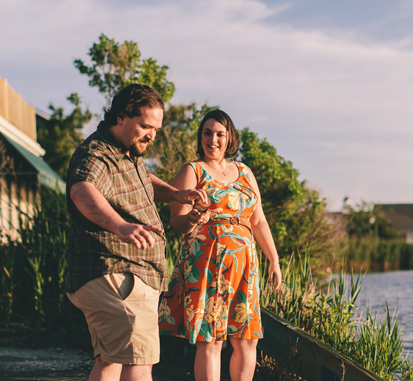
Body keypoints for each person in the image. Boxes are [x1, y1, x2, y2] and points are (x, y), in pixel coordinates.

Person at [65, 83, 207, 381]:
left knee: (110, 361)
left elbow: (143, 178)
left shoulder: (126, 153)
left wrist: (175, 194)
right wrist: (120, 225)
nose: (151, 135)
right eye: (145, 126)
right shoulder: (97, 155)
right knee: (139, 365)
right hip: (118, 272)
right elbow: (82, 190)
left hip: (117, 276)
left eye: (156, 129)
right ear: (121, 117)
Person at [158, 109, 282, 381]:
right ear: (200, 136)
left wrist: (273, 259)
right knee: (210, 338)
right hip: (207, 263)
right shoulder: (192, 171)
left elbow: (259, 220)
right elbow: (176, 222)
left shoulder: (244, 171)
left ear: (229, 137)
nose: (213, 140)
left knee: (247, 338)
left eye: (219, 134)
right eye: (207, 133)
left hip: (244, 266)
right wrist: (191, 218)